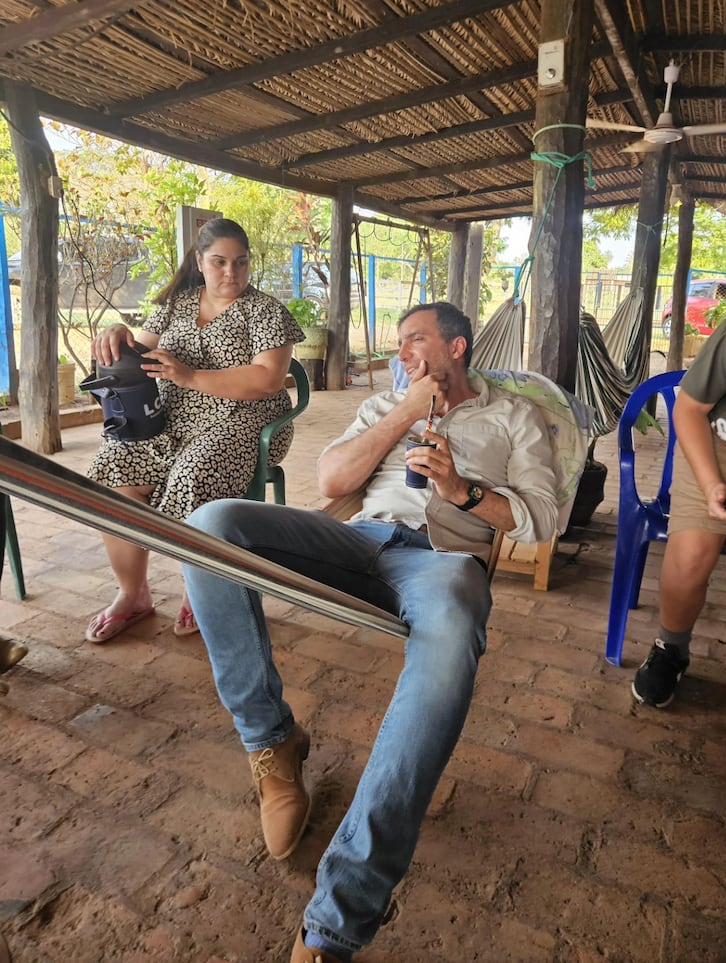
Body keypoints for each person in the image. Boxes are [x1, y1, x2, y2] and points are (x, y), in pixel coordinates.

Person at [182, 301, 558, 963]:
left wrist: (465, 490)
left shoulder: (514, 416)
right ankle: (272, 743)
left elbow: (542, 516)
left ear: (458, 346)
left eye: (416, 340)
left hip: (442, 563)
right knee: (211, 527)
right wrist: (406, 411)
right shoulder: (389, 403)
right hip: (357, 544)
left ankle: (338, 919)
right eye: (398, 343)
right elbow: (331, 479)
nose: (402, 352)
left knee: (456, 621)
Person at [84, 217, 304, 644]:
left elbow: (268, 380)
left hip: (246, 420)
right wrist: (117, 333)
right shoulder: (179, 304)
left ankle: (200, 591)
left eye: (240, 263)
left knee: (194, 475)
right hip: (174, 420)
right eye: (219, 262)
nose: (231, 273)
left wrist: (189, 377)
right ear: (200, 262)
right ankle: (133, 593)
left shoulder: (265, 311)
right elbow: (138, 349)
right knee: (113, 471)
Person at [632, 300, 726, 718]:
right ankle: (670, 648)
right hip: (714, 457)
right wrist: (711, 483)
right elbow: (689, 410)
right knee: (692, 555)